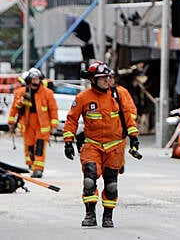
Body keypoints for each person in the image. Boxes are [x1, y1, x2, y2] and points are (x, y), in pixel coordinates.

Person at [62, 61, 140, 228]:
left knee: (111, 183)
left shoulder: (118, 95)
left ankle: (108, 216)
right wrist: (68, 142)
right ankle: (90, 214)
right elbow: (71, 120)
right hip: (92, 145)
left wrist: (133, 137)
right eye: (103, 78)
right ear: (93, 80)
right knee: (89, 179)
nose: (107, 80)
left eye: (108, 77)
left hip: (115, 146)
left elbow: (128, 117)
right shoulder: (83, 98)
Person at [8, 68, 58, 178]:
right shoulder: (22, 92)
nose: (35, 80)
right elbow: (14, 108)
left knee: (39, 147)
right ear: (29, 80)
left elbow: (53, 109)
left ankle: (38, 169)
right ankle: (32, 164)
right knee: (29, 147)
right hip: (28, 124)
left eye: (37, 78)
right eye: (33, 78)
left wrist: (54, 125)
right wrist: (11, 121)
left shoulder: (47, 93)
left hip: (42, 125)